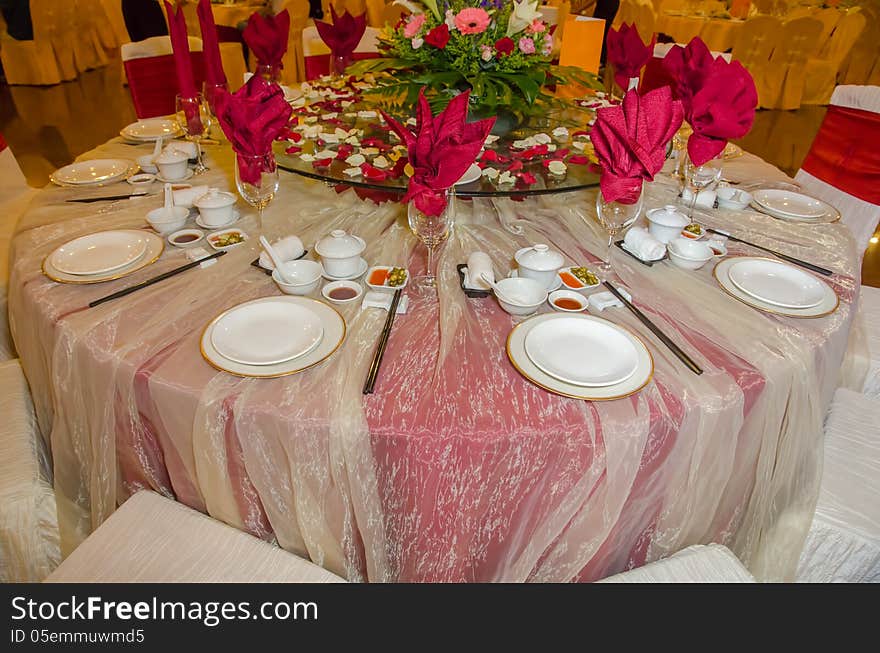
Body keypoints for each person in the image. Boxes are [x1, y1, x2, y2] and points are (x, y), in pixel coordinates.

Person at [593, 0, 620, 65]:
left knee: (601, 34)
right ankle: (601, 61)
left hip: (606, 9)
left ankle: (600, 61)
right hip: (609, 8)